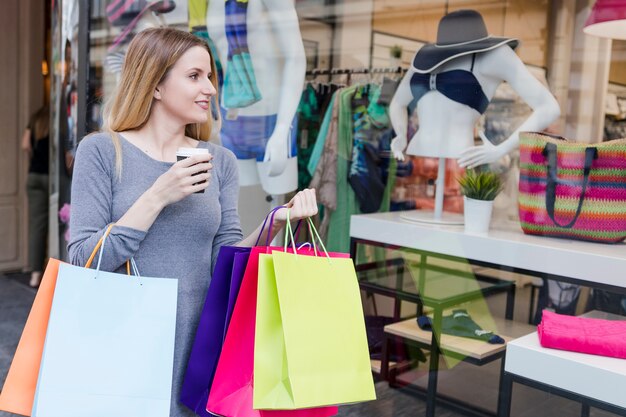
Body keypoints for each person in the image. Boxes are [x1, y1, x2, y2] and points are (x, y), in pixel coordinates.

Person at [67, 27, 318, 417]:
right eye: (194, 76)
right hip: (125, 337)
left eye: (210, 77)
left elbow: (226, 260)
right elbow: (84, 260)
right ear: (155, 85)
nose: (212, 89)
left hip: (200, 340)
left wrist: (275, 221)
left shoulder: (221, 161)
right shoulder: (102, 151)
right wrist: (158, 196)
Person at [389, 9, 560, 168]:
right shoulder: (425, 57)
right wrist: (401, 135)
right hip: (418, 149)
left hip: (461, 156)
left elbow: (549, 108)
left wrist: (502, 149)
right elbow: (397, 103)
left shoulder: (495, 54)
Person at [21, 105, 50, 288]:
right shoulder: (58, 121)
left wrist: (35, 157)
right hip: (52, 178)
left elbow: (25, 145)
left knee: (37, 227)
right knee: (61, 223)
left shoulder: (34, 120)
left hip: (34, 176)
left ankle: (35, 274)